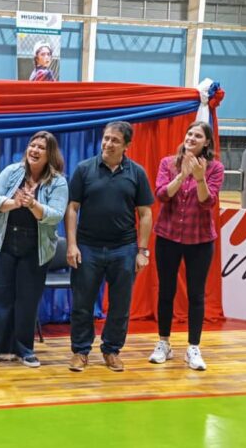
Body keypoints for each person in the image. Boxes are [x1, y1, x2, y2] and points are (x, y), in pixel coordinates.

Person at [0, 131, 68, 368]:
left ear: (50, 154)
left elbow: (56, 215)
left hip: (36, 247)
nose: (34, 150)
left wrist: (33, 204)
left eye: (41, 148)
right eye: (32, 145)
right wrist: (14, 203)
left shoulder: (58, 181)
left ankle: (24, 349)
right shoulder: (12, 171)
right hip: (4, 242)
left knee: (27, 299)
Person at [66, 121, 154, 372]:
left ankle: (112, 350)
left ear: (127, 145)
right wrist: (72, 245)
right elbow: (72, 208)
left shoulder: (137, 173)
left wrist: (142, 251)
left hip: (124, 249)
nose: (108, 143)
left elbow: (145, 214)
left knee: (120, 304)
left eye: (115, 140)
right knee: (82, 303)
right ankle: (80, 351)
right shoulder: (84, 169)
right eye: (106, 138)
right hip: (88, 247)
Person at [149, 121, 224, 370]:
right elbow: (162, 195)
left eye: (198, 135)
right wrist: (183, 175)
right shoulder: (168, 163)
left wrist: (200, 179)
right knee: (166, 291)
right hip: (167, 236)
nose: (191, 138)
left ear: (207, 142)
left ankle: (193, 347)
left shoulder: (215, 168)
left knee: (196, 294)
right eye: (189, 133)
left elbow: (207, 203)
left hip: (200, 240)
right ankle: (164, 343)